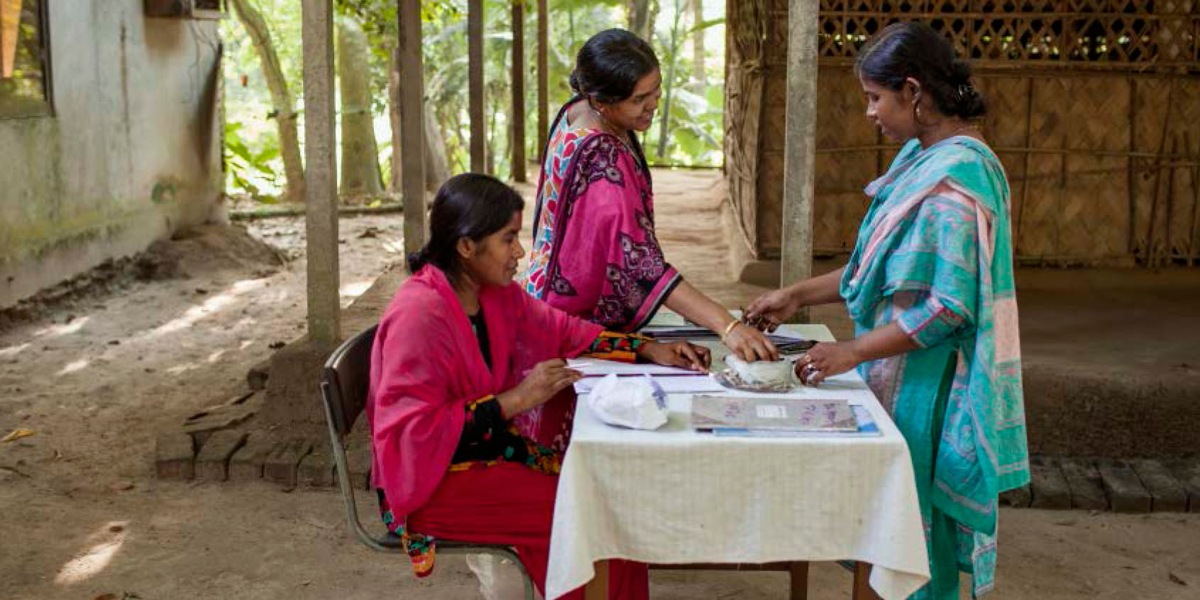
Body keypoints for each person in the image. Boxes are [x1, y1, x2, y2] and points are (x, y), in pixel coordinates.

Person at [745, 22, 1029, 600]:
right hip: (895, 375)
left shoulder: (957, 179)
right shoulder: (920, 159)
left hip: (929, 388)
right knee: (890, 540)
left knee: (910, 550)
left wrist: (850, 351)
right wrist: (797, 294)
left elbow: (948, 308)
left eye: (875, 98)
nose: (870, 112)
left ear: (913, 91)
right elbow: (876, 269)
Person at [367, 173, 709, 599]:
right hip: (432, 483)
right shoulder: (419, 315)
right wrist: (517, 400)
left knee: (609, 502)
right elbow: (410, 436)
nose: (520, 252)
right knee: (594, 516)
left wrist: (645, 350)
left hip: (486, 455)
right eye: (508, 239)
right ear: (466, 246)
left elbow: (564, 329)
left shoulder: (492, 293)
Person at [522, 28, 777, 362]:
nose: (653, 105)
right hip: (570, 320)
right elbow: (642, 266)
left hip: (544, 290)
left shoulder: (578, 111)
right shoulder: (602, 157)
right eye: (639, 100)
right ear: (601, 100)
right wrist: (727, 326)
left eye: (655, 91)